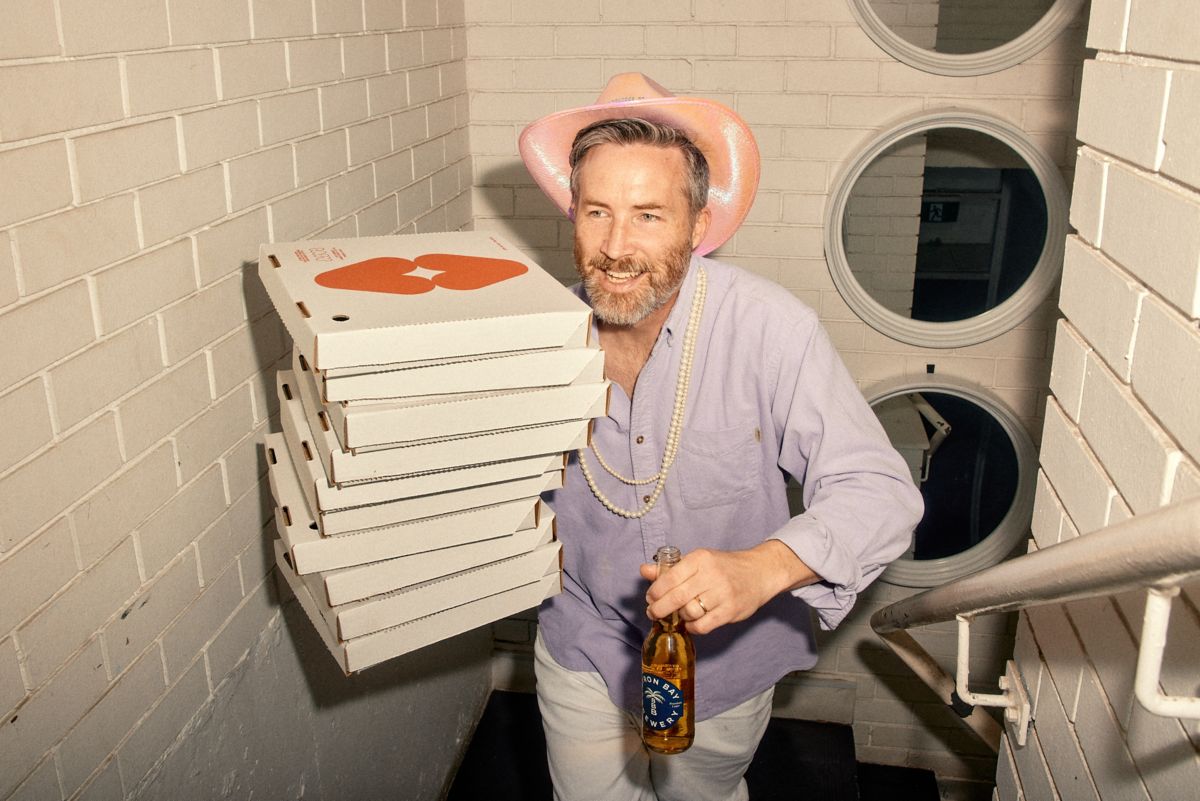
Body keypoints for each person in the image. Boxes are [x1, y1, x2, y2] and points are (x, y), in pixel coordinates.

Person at [518, 73, 924, 801]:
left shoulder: (771, 330)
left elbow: (881, 492)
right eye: (597, 212)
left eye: (648, 215)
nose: (615, 246)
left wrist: (764, 568)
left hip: (725, 665)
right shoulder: (534, 339)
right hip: (583, 647)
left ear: (698, 225)